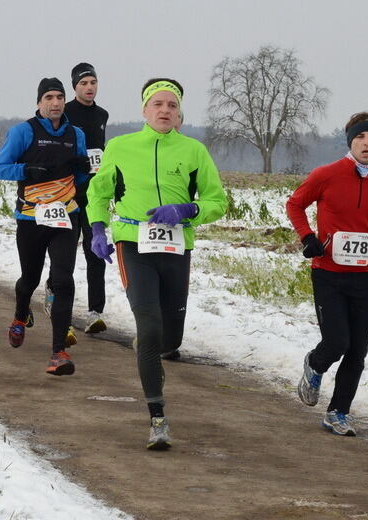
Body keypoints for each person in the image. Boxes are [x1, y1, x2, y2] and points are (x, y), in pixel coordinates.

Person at [86, 78, 227, 449]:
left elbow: (217, 201)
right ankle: (157, 417)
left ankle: (154, 346)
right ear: (145, 111)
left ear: (179, 113)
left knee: (170, 336)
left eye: (172, 105)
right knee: (149, 327)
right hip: (133, 243)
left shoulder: (193, 150)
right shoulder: (120, 147)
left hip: (177, 247)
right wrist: (98, 229)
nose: (165, 110)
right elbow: (98, 192)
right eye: (158, 104)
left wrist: (188, 209)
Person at [288, 112, 368, 436]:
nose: (367, 143)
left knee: (358, 349)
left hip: (366, 275)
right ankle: (315, 364)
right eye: (360, 137)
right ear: (350, 142)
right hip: (328, 271)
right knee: (337, 341)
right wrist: (307, 236)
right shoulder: (326, 174)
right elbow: (295, 204)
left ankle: (338, 413)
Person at [0, 77, 90, 376]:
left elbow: (81, 177)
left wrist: (84, 172)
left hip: (66, 216)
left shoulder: (76, 134)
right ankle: (21, 314)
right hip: (32, 218)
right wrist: (26, 170)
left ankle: (59, 351)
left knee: (63, 280)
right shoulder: (23, 132)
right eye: (49, 97)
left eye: (60, 97)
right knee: (29, 279)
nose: (56, 103)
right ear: (39, 103)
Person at [44, 62, 111, 336]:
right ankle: (57, 302)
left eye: (93, 82)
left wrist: (111, 181)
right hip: (68, 194)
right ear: (74, 87)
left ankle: (95, 313)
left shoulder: (102, 114)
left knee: (96, 251)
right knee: (65, 256)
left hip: (94, 195)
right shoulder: (66, 112)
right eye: (83, 83)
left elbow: (101, 153)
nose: (89, 87)